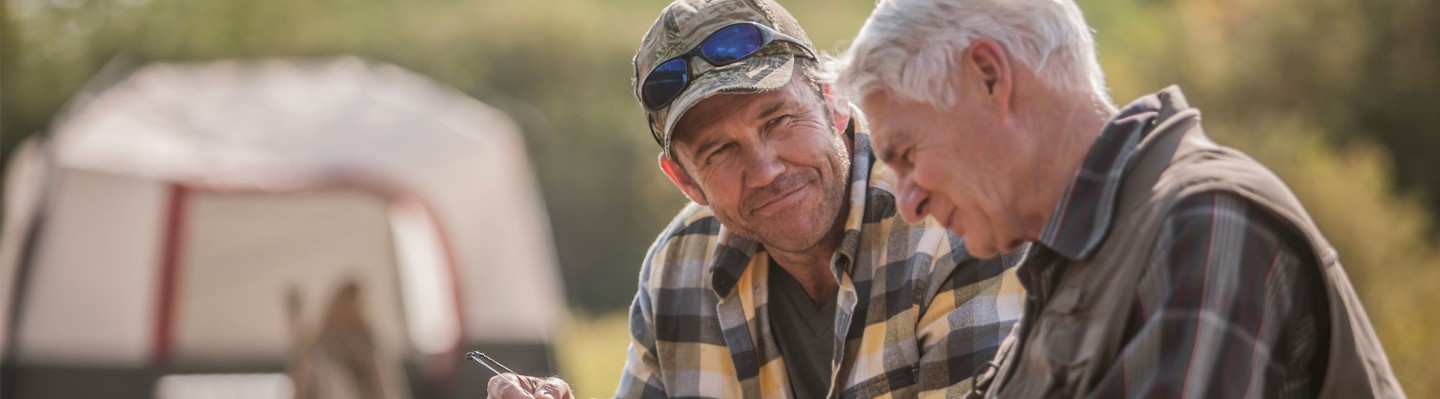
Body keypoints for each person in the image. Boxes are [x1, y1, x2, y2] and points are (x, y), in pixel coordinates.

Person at [828, 0, 1405, 397]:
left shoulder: (1205, 223)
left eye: (905, 154)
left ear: (989, 76)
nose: (907, 202)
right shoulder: (1072, 261)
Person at [486, 0, 1024, 398]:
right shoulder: (676, 271)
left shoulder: (954, 223)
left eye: (779, 120)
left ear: (834, 106)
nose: (765, 169)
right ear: (686, 182)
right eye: (720, 151)